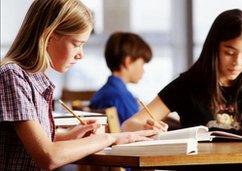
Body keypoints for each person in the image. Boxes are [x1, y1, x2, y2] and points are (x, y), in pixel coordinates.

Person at [0, 0, 156, 170]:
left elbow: (31, 143)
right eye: (77, 44)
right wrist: (110, 138)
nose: (81, 55)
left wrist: (70, 135)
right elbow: (48, 156)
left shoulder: (34, 79)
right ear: (49, 36)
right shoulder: (12, 75)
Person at [122, 9, 242, 170]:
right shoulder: (188, 85)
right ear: (214, 48)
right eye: (229, 53)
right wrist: (147, 128)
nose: (237, 62)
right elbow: (129, 125)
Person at [90, 32, 152, 124]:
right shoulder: (119, 97)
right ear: (128, 62)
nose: (143, 70)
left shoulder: (103, 93)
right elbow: (137, 127)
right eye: (142, 64)